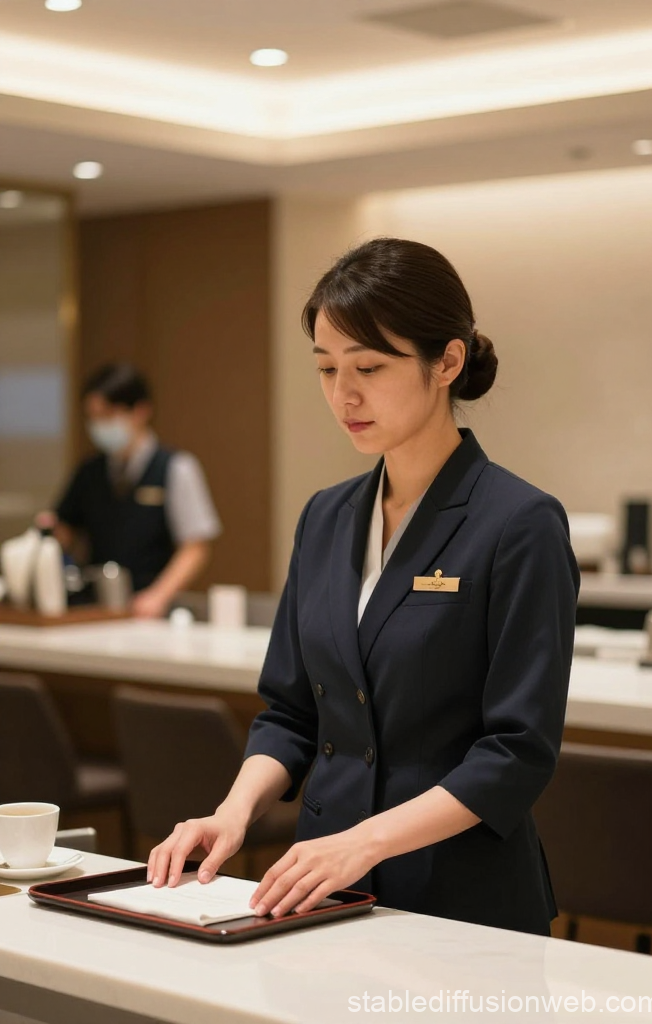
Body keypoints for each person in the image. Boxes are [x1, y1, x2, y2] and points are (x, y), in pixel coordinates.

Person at [148, 238, 579, 935]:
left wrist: (365, 842)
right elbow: (290, 713)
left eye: (370, 368)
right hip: (318, 889)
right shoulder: (326, 515)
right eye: (325, 369)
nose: (343, 395)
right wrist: (232, 813)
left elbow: (517, 752)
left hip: (460, 897)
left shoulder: (519, 523)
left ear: (447, 362)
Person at [50, 363, 221, 618]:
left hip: (151, 608)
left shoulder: (175, 468)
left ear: (140, 411)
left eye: (108, 415)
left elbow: (195, 547)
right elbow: (62, 528)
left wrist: (158, 596)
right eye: (93, 417)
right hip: (95, 609)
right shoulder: (90, 471)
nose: (100, 426)